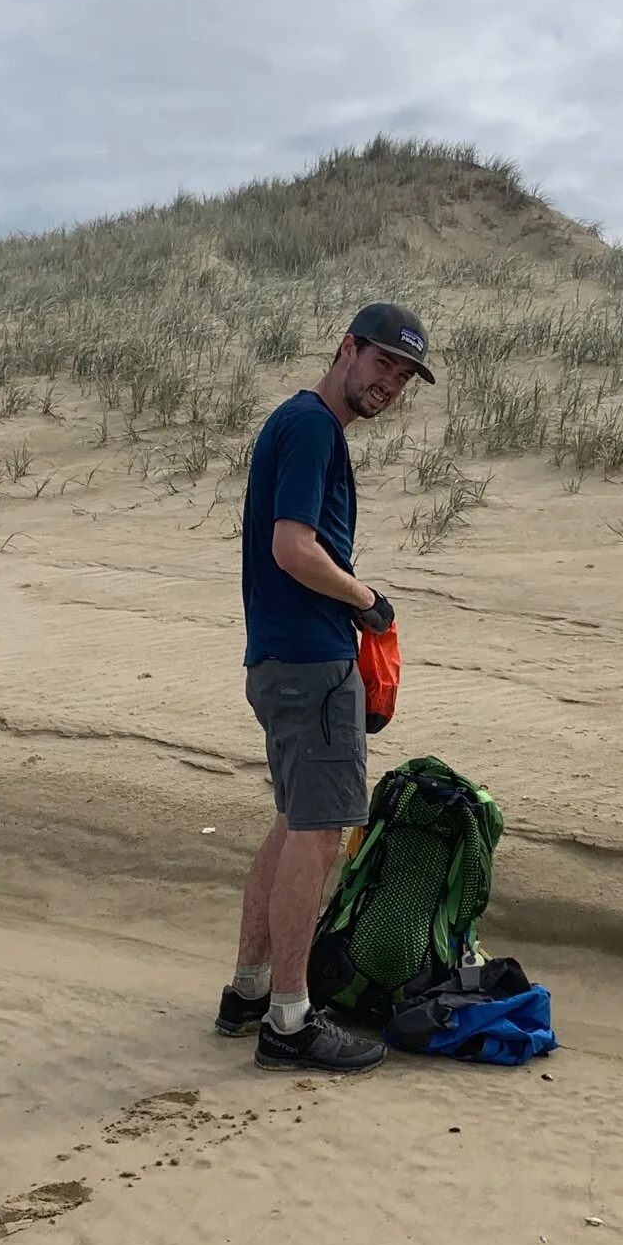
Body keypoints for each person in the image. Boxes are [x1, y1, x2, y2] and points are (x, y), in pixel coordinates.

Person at [218, 302, 435, 1070]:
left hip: (281, 659)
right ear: (345, 349)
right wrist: (365, 600)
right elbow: (292, 548)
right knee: (316, 834)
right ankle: (289, 1021)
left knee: (291, 823)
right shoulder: (311, 425)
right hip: (309, 661)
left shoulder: (302, 425)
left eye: (403, 376)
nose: (390, 384)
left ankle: (249, 990)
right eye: (382, 364)